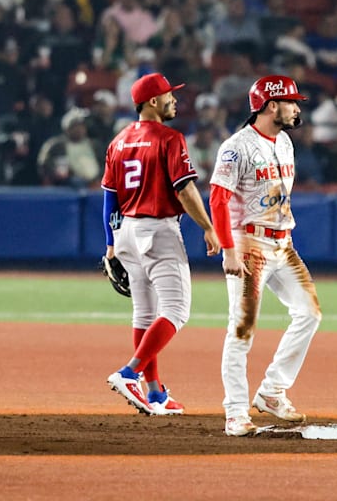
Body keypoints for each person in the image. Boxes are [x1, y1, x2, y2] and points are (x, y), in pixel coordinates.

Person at [208, 75, 322, 437]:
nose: (296, 108)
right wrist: (227, 247)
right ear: (272, 105)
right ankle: (235, 411)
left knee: (309, 313)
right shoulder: (236, 147)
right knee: (241, 329)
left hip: (283, 243)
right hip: (248, 245)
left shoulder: (285, 142)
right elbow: (217, 199)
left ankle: (272, 391)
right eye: (291, 101)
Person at [102, 72, 221, 416]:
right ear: (152, 102)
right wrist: (208, 228)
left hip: (126, 231)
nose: (174, 100)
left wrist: (110, 246)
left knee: (145, 313)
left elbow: (109, 198)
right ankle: (130, 373)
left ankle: (154, 393)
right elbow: (184, 189)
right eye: (169, 95)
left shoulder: (118, 140)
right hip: (158, 230)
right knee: (175, 312)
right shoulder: (170, 138)